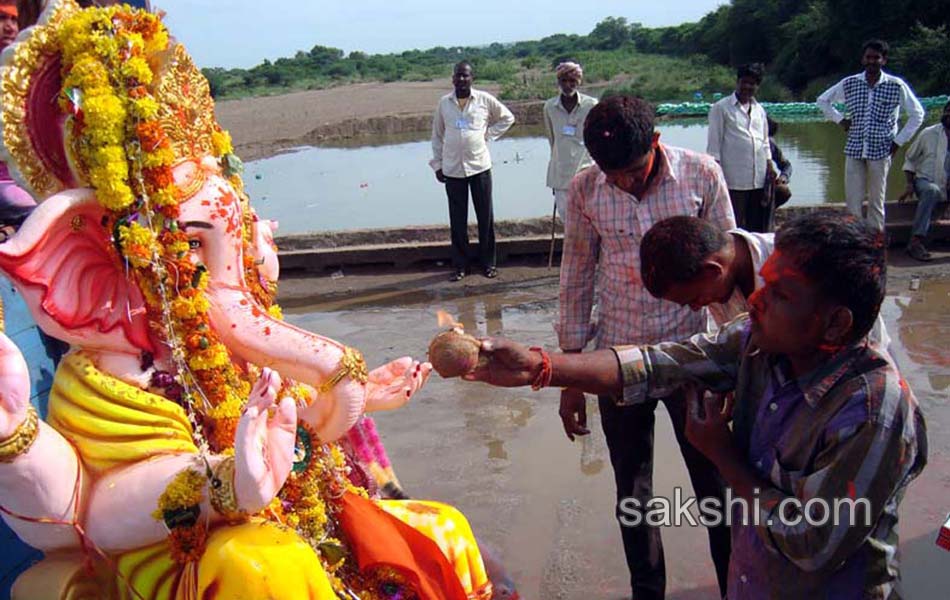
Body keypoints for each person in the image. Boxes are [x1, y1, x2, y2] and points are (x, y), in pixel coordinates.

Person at [467, 212, 927, 599]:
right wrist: (540, 367)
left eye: (780, 295)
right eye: (764, 285)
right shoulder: (755, 343)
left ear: (835, 325)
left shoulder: (872, 411)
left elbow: (812, 540)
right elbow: (659, 362)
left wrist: (723, 454)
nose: (756, 299)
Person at [558, 94, 735, 599]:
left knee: (714, 487)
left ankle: (735, 585)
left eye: (632, 173)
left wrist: (738, 369)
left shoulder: (701, 175)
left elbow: (729, 276)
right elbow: (575, 279)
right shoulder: (586, 189)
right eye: (612, 175)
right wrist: (571, 379)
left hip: (694, 359)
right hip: (620, 361)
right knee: (633, 492)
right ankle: (648, 591)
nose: (623, 183)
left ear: (656, 143)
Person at [817, 39, 924, 231]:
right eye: (869, 57)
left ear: (884, 60)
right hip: (855, 148)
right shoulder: (850, 83)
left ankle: (876, 242)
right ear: (862, 59)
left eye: (876, 57)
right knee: (853, 201)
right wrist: (841, 120)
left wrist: (898, 141)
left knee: (876, 201)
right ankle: (856, 241)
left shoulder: (896, 85)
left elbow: (918, 114)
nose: (872, 61)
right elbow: (823, 100)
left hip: (882, 149)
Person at [430, 61, 515, 282]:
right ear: (452, 79)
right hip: (452, 169)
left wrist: (488, 135)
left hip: (480, 167)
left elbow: (508, 118)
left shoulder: (484, 100)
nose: (461, 80)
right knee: (457, 220)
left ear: (472, 78)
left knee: (485, 217)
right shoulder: (444, 104)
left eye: (465, 76)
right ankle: (460, 266)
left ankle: (488, 263)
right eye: (458, 76)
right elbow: (437, 136)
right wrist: (437, 165)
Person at [707, 63, 772, 232]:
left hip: (758, 178)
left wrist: (770, 165)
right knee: (733, 225)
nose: (747, 87)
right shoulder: (721, 108)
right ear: (737, 82)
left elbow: (764, 141)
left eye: (752, 84)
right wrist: (717, 174)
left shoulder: (759, 110)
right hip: (733, 179)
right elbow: (714, 145)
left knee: (757, 226)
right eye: (744, 82)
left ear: (758, 86)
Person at [543, 60, 597, 221]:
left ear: (579, 82)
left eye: (572, 81)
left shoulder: (591, 105)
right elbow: (552, 142)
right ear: (558, 82)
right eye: (563, 81)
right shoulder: (549, 107)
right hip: (560, 174)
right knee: (567, 219)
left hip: (586, 171)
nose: (568, 85)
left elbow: (596, 140)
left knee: (590, 218)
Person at [898, 99, 950, 261]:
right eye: (948, 112)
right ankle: (915, 241)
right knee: (931, 190)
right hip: (925, 181)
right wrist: (908, 184)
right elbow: (910, 159)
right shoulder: (929, 133)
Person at [766, 116, 792, 214]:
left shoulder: (769, 144)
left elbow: (786, 165)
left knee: (783, 191)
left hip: (764, 185)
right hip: (740, 185)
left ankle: (768, 213)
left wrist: (783, 177)